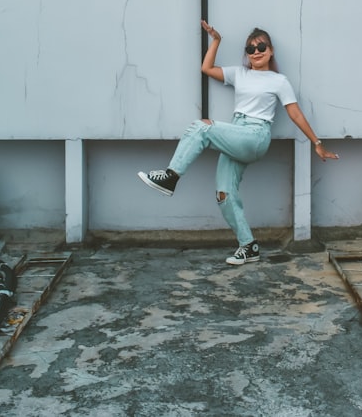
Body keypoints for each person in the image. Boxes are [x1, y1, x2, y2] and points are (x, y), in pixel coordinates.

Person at [138, 20, 339, 266]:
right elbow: (206, 68)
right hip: (236, 133)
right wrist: (217, 41)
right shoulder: (240, 74)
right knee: (224, 193)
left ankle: (170, 176)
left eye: (261, 46)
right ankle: (249, 246)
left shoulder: (279, 81)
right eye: (250, 49)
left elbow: (295, 114)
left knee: (202, 126)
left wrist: (317, 142)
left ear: (271, 50)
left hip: (255, 136)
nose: (256, 52)